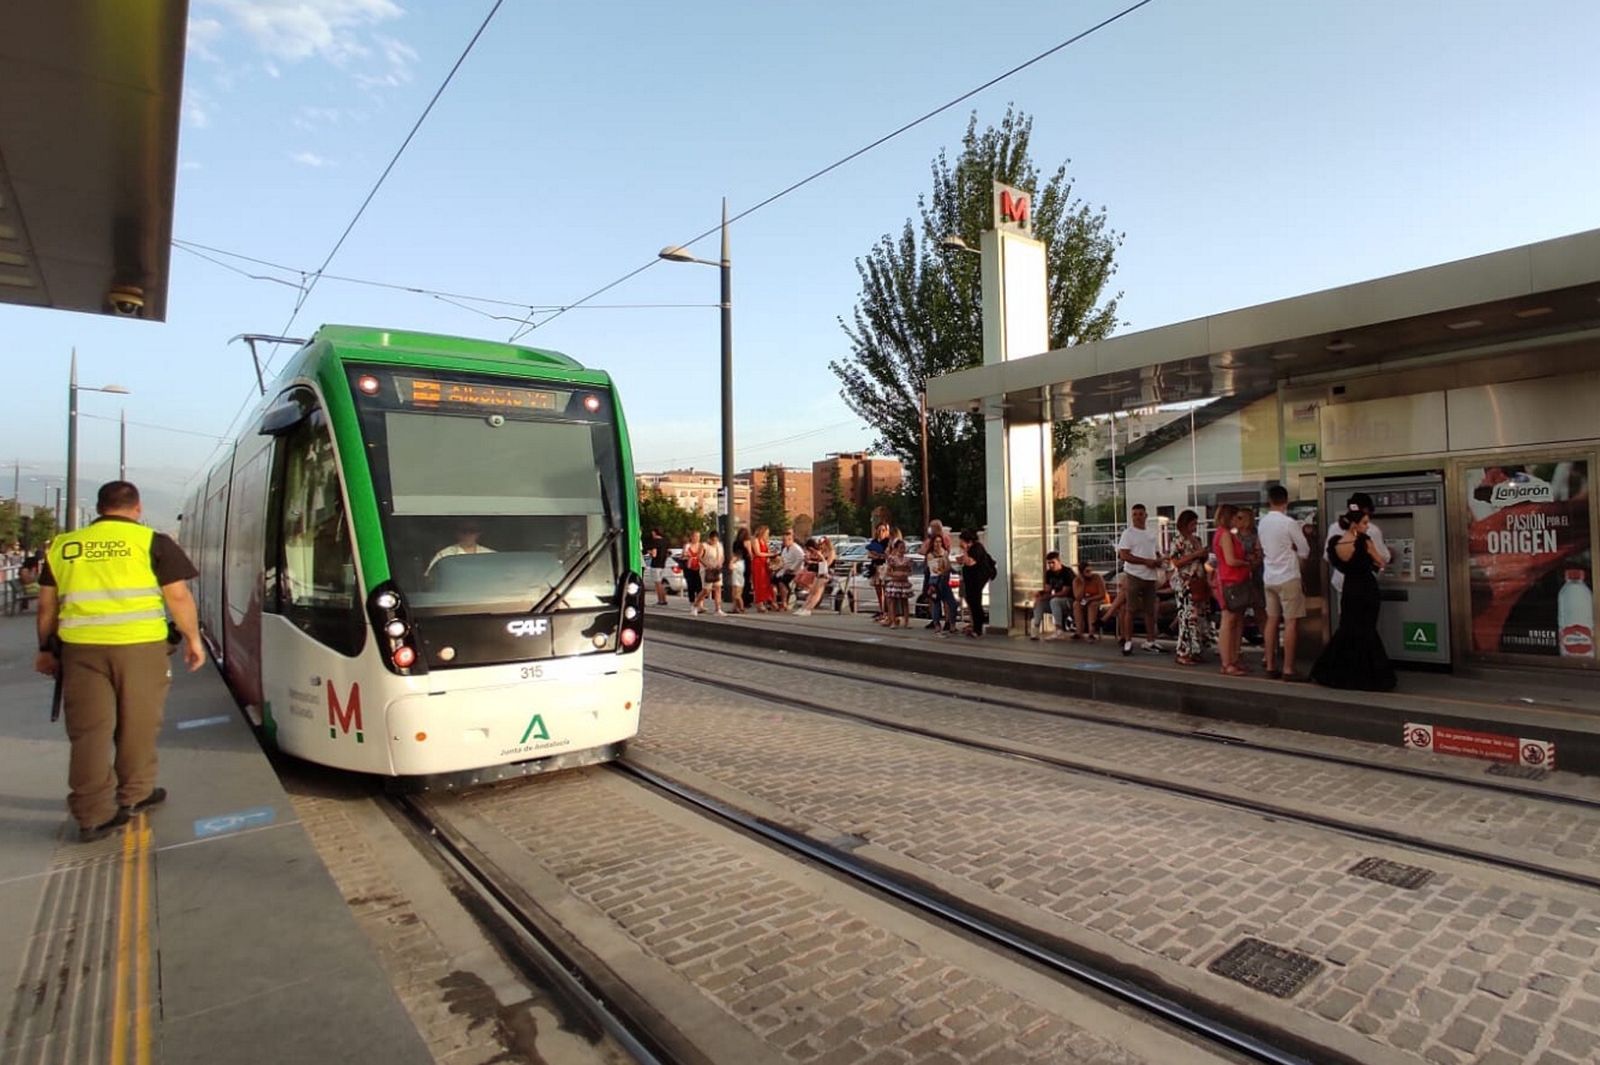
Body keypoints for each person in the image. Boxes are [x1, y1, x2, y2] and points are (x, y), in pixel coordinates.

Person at [33, 482, 205, 843]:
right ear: (137, 508)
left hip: (80, 651)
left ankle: (93, 815)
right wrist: (192, 639)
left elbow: (47, 606)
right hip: (140, 648)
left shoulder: (64, 546)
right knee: (138, 723)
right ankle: (135, 793)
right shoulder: (151, 542)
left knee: (89, 733)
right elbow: (178, 597)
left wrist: (46, 650)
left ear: (99, 508)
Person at [1312, 506, 1397, 691]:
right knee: (1367, 629)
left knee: (1348, 629)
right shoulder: (1364, 541)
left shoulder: (1335, 543)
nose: (1367, 526)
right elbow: (1380, 561)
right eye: (1365, 523)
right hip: (1366, 588)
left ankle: (1335, 671)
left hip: (1349, 589)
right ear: (1354, 525)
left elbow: (1336, 563)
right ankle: (1369, 676)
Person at [1259, 485, 1311, 680]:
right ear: (1286, 501)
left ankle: (1271, 665)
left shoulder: (1262, 523)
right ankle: (1288, 668)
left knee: (1271, 621)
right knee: (1290, 623)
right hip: (1288, 576)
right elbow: (1304, 549)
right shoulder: (1289, 523)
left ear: (1269, 501)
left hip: (1269, 577)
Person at [1116, 504, 1164, 656]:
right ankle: (1128, 640)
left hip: (1150, 576)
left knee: (1150, 610)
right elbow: (1124, 555)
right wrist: (1145, 561)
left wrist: (1159, 561)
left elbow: (1157, 552)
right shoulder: (1128, 534)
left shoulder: (1151, 533)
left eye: (1140, 514)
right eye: (1135, 514)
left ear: (1145, 515)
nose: (1137, 517)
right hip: (1134, 575)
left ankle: (1150, 640)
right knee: (1131, 609)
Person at [1213, 504, 1253, 676]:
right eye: (1237, 517)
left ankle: (1232, 659)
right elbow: (1230, 560)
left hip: (1234, 579)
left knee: (1235, 621)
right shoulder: (1226, 535)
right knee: (1229, 621)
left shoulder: (1225, 534)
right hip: (1231, 579)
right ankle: (1227, 661)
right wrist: (1247, 563)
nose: (1239, 521)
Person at [1170, 510, 1213, 666]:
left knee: (1198, 617)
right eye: (1192, 523)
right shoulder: (1178, 540)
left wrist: (1203, 555)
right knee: (1186, 618)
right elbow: (1176, 562)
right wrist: (1196, 555)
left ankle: (1195, 649)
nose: (1195, 526)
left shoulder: (1197, 540)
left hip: (1198, 580)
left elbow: (1201, 559)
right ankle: (1183, 651)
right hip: (1185, 583)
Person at [1327, 492, 1390, 598]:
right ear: (1366, 510)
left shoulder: (1334, 527)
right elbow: (1383, 558)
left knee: (1346, 613)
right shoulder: (1371, 529)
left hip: (1342, 583)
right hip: (1365, 584)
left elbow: (1327, 555)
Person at [954, 529, 993, 637]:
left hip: (977, 579)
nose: (960, 543)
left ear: (968, 540)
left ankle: (977, 629)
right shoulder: (972, 548)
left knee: (975, 602)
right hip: (971, 579)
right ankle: (975, 626)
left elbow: (970, 562)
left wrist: (965, 551)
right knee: (971, 601)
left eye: (962, 540)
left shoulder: (977, 548)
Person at [1028, 551, 1075, 640]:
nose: (1051, 565)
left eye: (1053, 562)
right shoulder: (1049, 573)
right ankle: (1036, 629)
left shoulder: (1067, 572)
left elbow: (1065, 592)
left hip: (1069, 601)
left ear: (1059, 561)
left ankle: (1059, 630)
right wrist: (1039, 594)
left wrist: (1048, 596)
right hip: (1056, 601)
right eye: (1049, 563)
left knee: (1054, 601)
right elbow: (1048, 590)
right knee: (1040, 602)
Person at [923, 525, 959, 635]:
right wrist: (944, 566)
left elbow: (947, 566)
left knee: (952, 603)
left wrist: (952, 569)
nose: (938, 544)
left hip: (945, 581)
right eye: (936, 542)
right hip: (935, 582)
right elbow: (935, 568)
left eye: (939, 542)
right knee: (936, 603)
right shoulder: (930, 555)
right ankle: (937, 624)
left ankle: (952, 624)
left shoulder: (945, 553)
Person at [427, 521, 496, 577]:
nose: (468, 534)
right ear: (457, 533)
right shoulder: (443, 555)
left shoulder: (491, 555)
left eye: (472, 531)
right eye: (464, 531)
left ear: (478, 533)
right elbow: (429, 579)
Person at [796, 536, 835, 615]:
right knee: (812, 591)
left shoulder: (831, 552)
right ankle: (804, 607)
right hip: (820, 572)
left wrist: (819, 556)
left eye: (822, 544)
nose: (820, 546)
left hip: (826, 573)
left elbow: (827, 564)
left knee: (817, 592)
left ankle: (808, 609)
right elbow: (818, 563)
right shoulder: (822, 552)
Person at [1072, 559, 1110, 640]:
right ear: (1082, 573)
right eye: (1087, 571)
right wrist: (1083, 584)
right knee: (1076, 604)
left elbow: (1102, 594)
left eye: (1090, 570)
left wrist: (1090, 599)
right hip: (1085, 600)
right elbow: (1077, 597)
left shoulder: (1097, 577)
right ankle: (1079, 632)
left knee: (1092, 605)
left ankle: (1091, 632)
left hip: (1099, 600)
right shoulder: (1077, 581)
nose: (1090, 573)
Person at [881, 538, 913, 628]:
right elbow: (888, 571)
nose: (903, 549)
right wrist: (895, 574)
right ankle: (893, 620)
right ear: (896, 548)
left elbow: (910, 571)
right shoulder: (892, 559)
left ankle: (906, 621)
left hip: (904, 582)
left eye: (904, 547)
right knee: (892, 602)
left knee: (905, 602)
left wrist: (905, 574)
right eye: (901, 547)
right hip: (895, 582)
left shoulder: (908, 560)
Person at [695, 531, 726, 615]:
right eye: (713, 540)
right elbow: (699, 557)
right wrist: (706, 565)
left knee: (718, 588)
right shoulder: (704, 545)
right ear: (710, 538)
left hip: (716, 569)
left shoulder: (719, 545)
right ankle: (696, 604)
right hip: (706, 570)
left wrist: (721, 563)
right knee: (706, 590)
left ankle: (718, 609)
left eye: (716, 540)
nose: (714, 542)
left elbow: (722, 556)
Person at [772, 530, 804, 610]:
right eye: (783, 540)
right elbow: (783, 560)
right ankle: (774, 602)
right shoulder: (785, 549)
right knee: (772, 581)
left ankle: (784, 602)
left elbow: (800, 559)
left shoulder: (796, 548)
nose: (784, 542)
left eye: (785, 540)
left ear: (791, 539)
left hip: (793, 571)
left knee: (782, 582)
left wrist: (792, 568)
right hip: (784, 569)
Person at [865, 521, 891, 619]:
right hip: (876, 568)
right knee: (878, 592)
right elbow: (870, 554)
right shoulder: (874, 542)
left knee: (886, 592)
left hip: (884, 568)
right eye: (879, 530)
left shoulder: (888, 542)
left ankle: (887, 612)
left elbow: (886, 555)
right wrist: (877, 555)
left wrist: (879, 555)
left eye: (883, 530)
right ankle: (881, 611)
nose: (881, 532)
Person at [643, 527, 671, 606]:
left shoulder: (655, 542)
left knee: (657, 583)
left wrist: (649, 551)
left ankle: (661, 600)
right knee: (661, 583)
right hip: (663, 564)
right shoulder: (665, 541)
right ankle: (664, 599)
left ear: (654, 533)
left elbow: (654, 554)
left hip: (656, 564)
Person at [751, 525, 775, 612]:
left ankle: (767, 601)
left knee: (766, 582)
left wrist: (771, 555)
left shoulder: (764, 541)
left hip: (764, 563)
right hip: (758, 563)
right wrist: (769, 555)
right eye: (766, 533)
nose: (767, 535)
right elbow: (758, 553)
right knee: (759, 583)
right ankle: (759, 603)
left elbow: (767, 551)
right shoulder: (756, 540)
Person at [729, 528, 752, 613]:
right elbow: (750, 554)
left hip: (737, 563)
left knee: (735, 586)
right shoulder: (747, 542)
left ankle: (737, 606)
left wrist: (732, 562)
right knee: (743, 585)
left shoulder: (735, 543)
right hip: (745, 563)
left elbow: (734, 554)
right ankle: (741, 605)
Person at [681, 530, 705, 614]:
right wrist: (688, 556)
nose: (697, 538)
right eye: (695, 536)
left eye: (698, 537)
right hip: (689, 568)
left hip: (699, 568)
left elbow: (703, 556)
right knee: (691, 586)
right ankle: (692, 604)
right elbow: (682, 556)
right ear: (691, 537)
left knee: (700, 587)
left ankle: (700, 605)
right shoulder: (687, 546)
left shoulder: (701, 545)